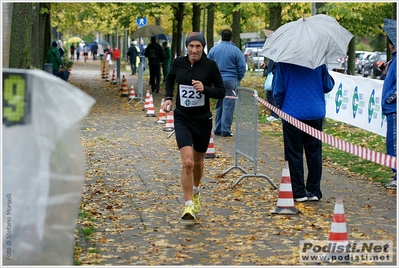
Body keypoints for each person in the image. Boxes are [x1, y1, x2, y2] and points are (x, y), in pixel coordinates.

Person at [162, 32, 226, 220]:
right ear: (187, 47)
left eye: (198, 46)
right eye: (191, 46)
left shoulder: (210, 65)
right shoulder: (178, 63)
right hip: (182, 118)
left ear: (203, 48)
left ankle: (196, 190)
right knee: (188, 162)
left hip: (202, 120)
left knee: (198, 161)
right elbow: (170, 78)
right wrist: (167, 98)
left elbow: (221, 91)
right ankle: (188, 205)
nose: (194, 50)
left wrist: (205, 89)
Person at [272, 62, 335, 202]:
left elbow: (278, 90)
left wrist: (280, 105)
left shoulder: (283, 63)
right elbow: (328, 86)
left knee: (294, 152)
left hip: (291, 113)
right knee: (314, 152)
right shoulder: (319, 62)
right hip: (315, 112)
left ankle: (298, 191)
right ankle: (314, 190)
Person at [208, 29, 246, 137]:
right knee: (228, 105)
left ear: (221, 37)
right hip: (231, 80)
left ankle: (217, 128)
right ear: (231, 38)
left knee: (220, 104)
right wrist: (238, 77)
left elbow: (208, 64)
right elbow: (242, 67)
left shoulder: (214, 50)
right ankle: (225, 129)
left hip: (217, 81)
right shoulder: (236, 51)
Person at [381, 37, 397, 189]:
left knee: (394, 145)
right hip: (391, 109)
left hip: (394, 109)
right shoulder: (394, 60)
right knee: (391, 145)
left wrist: (388, 99)